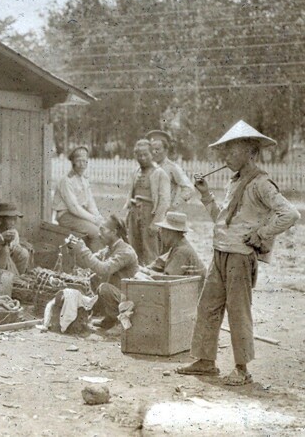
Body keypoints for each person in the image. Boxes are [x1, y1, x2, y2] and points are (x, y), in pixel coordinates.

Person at [177, 120, 299, 386]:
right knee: (208, 307)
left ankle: (242, 369)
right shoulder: (236, 182)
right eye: (225, 151)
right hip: (220, 254)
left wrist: (260, 235)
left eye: (231, 151)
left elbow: (290, 214)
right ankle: (205, 362)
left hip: (240, 257)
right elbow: (223, 220)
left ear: (251, 153)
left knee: (238, 312)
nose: (225, 156)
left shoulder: (262, 183)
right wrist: (206, 195)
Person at [67, 215, 139, 330]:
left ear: (114, 232)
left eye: (102, 229)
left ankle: (118, 324)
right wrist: (74, 249)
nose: (99, 234)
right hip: (121, 296)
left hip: (130, 301)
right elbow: (88, 264)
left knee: (104, 288)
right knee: (94, 278)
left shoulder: (126, 251)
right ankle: (110, 318)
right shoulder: (109, 249)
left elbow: (104, 269)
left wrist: (83, 249)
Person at [125, 139, 171, 265]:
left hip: (150, 215)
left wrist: (156, 223)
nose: (143, 158)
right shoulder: (135, 172)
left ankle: (151, 279)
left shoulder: (160, 174)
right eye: (139, 155)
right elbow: (131, 194)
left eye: (146, 154)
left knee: (150, 250)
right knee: (134, 248)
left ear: (152, 154)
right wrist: (129, 214)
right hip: (135, 214)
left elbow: (164, 201)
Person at [53, 146, 104, 251]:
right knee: (95, 232)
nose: (82, 165)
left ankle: (98, 259)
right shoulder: (66, 180)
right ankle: (95, 263)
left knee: (103, 229)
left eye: (85, 162)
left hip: (78, 215)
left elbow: (90, 202)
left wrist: (99, 217)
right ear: (73, 162)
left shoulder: (84, 179)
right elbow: (74, 208)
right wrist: (93, 219)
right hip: (66, 216)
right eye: (79, 161)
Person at [138, 212, 205, 279]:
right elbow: (159, 263)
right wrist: (143, 270)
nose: (160, 234)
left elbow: (168, 278)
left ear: (171, 233)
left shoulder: (182, 251)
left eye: (163, 230)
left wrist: (147, 273)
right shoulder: (177, 245)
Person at [146, 130, 195, 212]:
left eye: (157, 149)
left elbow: (189, 189)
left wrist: (174, 205)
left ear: (166, 150)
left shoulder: (172, 168)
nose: (154, 152)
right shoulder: (147, 167)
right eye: (152, 149)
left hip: (164, 213)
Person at [0, 203, 33, 274]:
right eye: (9, 220)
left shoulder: (14, 232)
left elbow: (16, 247)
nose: (12, 223)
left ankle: (19, 276)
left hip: (11, 258)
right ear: (1, 219)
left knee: (24, 252)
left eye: (14, 219)